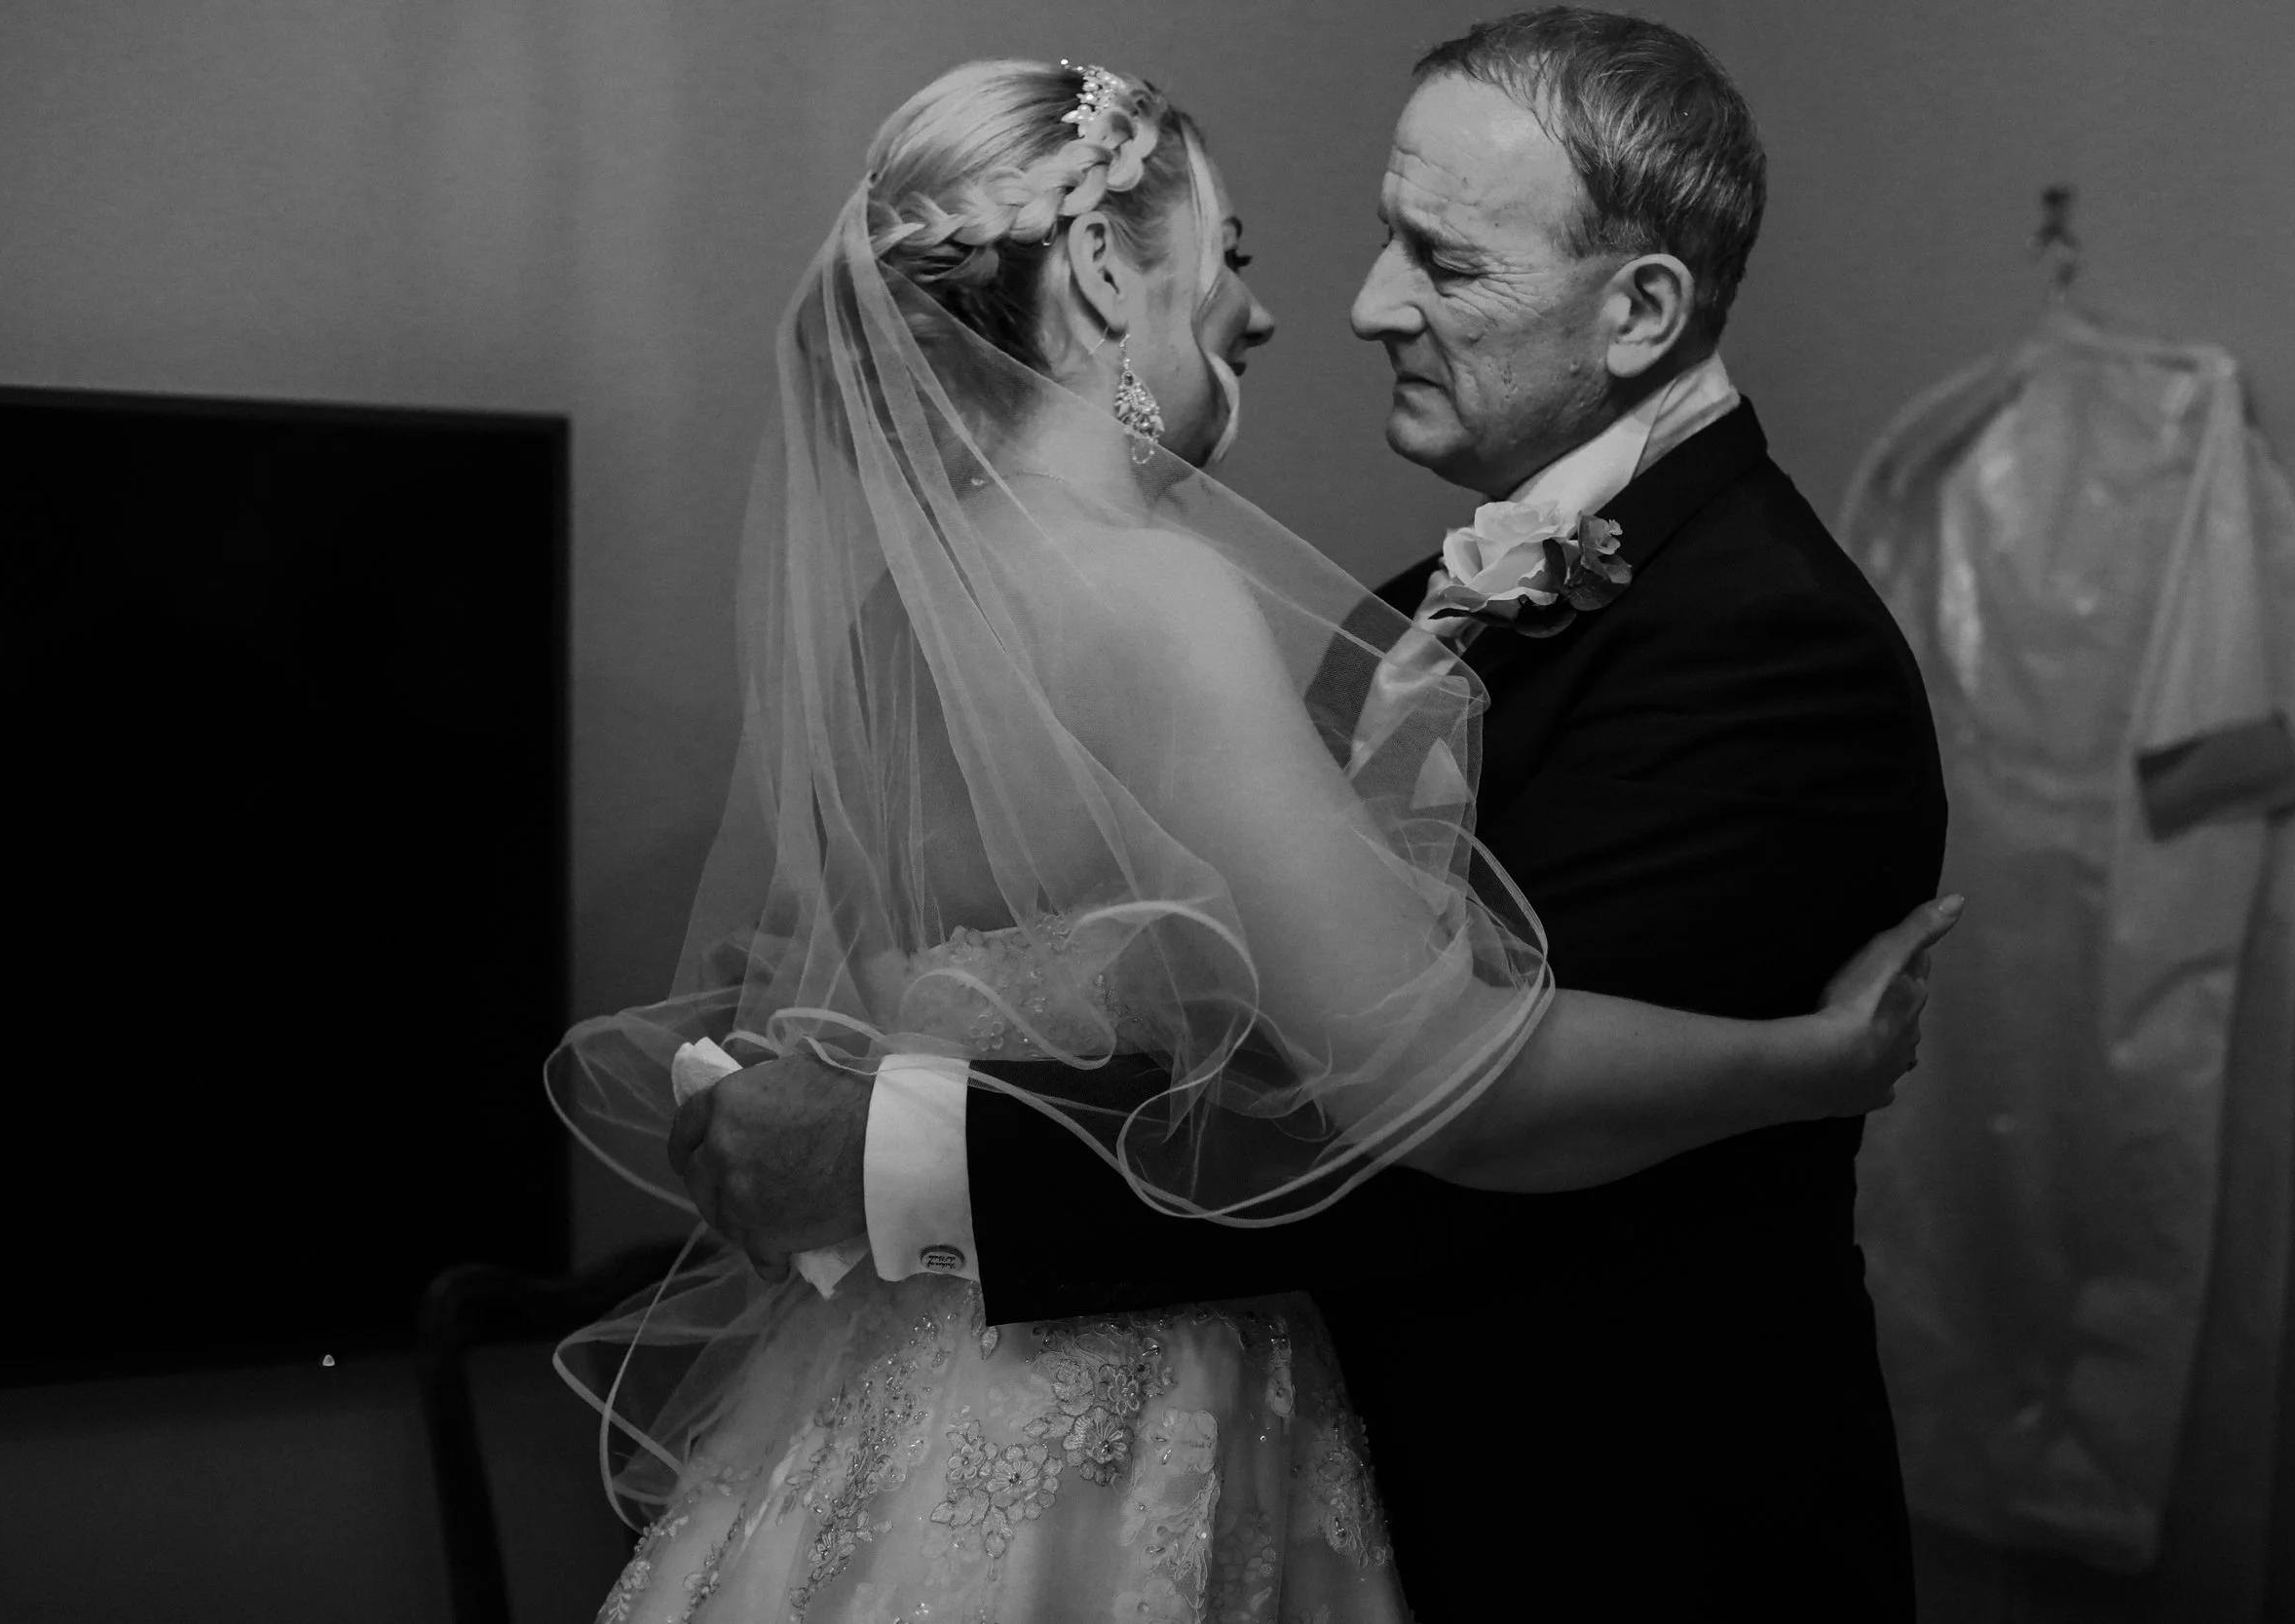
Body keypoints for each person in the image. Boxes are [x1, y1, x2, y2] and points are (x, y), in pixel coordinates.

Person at [581, 22, 1949, 1621]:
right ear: (1101, 271)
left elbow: (1408, 1148)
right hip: (1133, 1432)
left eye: (1442, 258)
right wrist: (1816, 1058)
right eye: (1371, 240)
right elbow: (1400, 1064)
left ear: (1640, 310)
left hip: (1611, 1539)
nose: (1356, 304)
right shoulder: (1322, 611)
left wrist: (898, 1143)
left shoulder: (1774, 644)